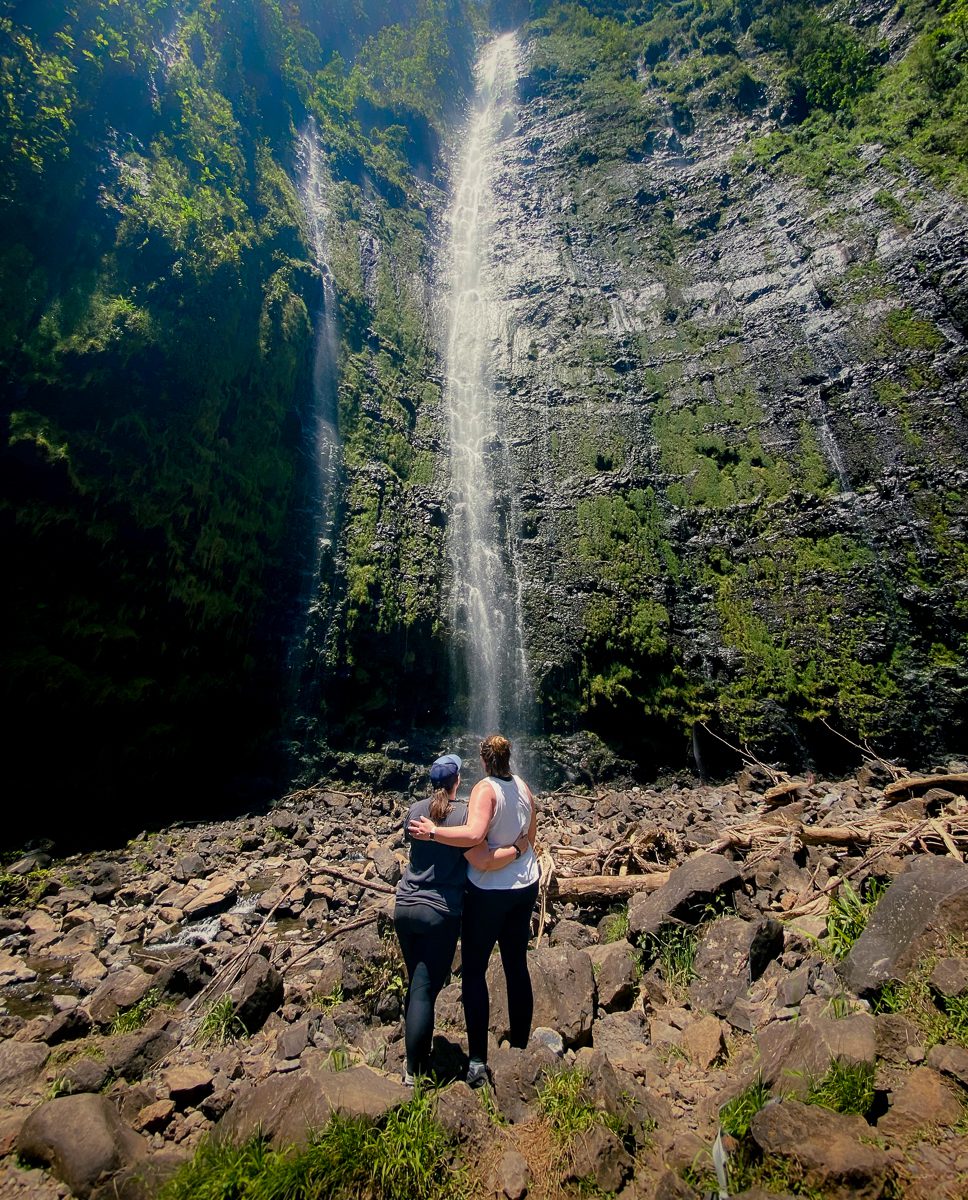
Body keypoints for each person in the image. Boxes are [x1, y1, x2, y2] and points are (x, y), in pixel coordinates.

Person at [409, 734, 538, 1087]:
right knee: (516, 964)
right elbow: (531, 834)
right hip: (525, 885)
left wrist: (435, 832)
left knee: (475, 971)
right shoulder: (523, 786)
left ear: (483, 762)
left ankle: (478, 1060)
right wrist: (517, 850)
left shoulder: (484, 788)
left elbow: (476, 836)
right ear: (509, 758)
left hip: (489, 892)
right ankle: (522, 1045)